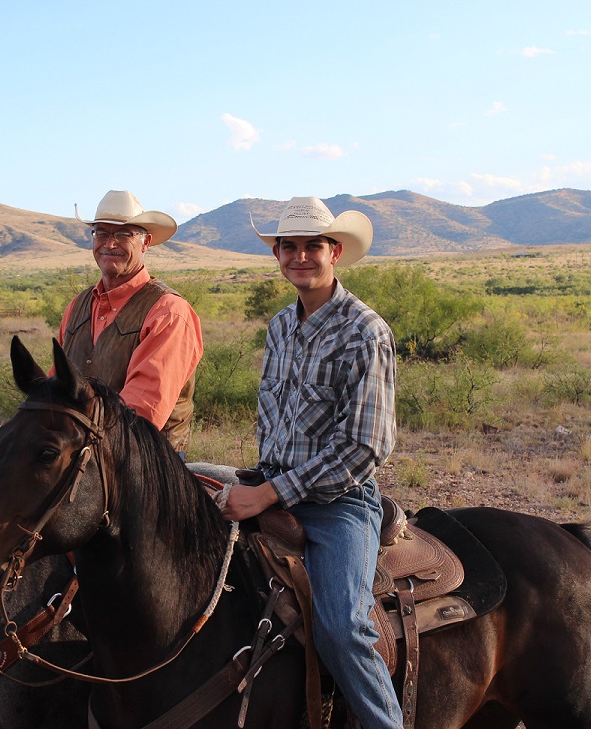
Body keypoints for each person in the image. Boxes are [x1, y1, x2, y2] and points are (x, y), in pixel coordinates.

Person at [219, 197, 404, 729]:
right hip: (269, 479)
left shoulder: (365, 331)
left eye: (312, 246)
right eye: (288, 247)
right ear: (278, 255)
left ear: (336, 252)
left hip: (338, 502)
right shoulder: (280, 326)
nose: (300, 256)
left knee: (342, 628)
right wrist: (256, 482)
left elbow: (364, 446)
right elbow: (272, 418)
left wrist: (268, 496)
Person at [58, 190, 203, 454]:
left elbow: (141, 412)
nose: (109, 244)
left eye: (123, 234)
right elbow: (57, 382)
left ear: (145, 242)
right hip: (78, 453)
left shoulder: (168, 312)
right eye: (101, 233)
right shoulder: (77, 307)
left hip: (147, 462)